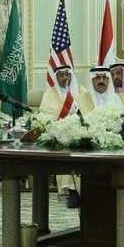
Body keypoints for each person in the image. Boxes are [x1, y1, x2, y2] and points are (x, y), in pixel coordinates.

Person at [39, 65, 91, 208]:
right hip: (60, 133)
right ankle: (72, 191)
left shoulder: (81, 91)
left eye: (67, 75)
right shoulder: (49, 94)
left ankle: (86, 190)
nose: (64, 78)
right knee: (67, 148)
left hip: (81, 131)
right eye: (61, 75)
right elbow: (45, 116)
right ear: (56, 78)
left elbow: (89, 112)